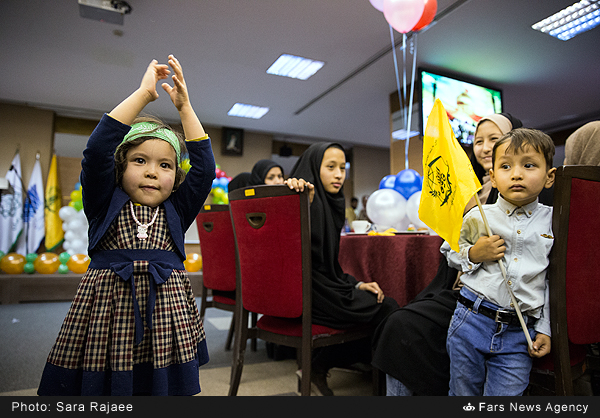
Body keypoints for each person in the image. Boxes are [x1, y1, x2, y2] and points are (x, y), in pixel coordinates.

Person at [37, 56, 215, 396]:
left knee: (162, 386)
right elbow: (97, 150)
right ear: (121, 167)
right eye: (140, 160)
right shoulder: (105, 201)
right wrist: (143, 95)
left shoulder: (177, 208)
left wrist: (186, 108)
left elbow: (204, 169)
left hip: (167, 312)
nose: (152, 171)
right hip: (108, 310)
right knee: (109, 383)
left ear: (175, 177)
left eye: (165, 165)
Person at [371, 112, 524, 396]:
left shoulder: (523, 190)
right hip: (459, 288)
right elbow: (453, 253)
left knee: (404, 326)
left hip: (496, 299)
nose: (485, 147)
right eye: (479, 141)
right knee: (397, 320)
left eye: (494, 138)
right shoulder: (473, 192)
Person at [442, 127, 556, 396]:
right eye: (505, 166)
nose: (516, 174)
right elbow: (449, 251)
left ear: (549, 177)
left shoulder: (554, 221)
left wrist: (545, 328)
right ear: (492, 176)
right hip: (471, 319)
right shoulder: (479, 216)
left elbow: (552, 280)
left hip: (520, 331)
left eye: (529, 165)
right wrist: (473, 254)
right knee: (462, 395)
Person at [285, 142, 399, 396]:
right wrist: (296, 196)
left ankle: (320, 366)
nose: (339, 175)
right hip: (308, 292)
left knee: (380, 301)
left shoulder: (333, 202)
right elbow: (290, 249)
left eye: (342, 168)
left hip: (326, 285)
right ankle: (323, 367)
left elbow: (330, 267)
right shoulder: (302, 196)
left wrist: (356, 284)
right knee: (388, 309)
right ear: (315, 168)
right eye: (330, 167)